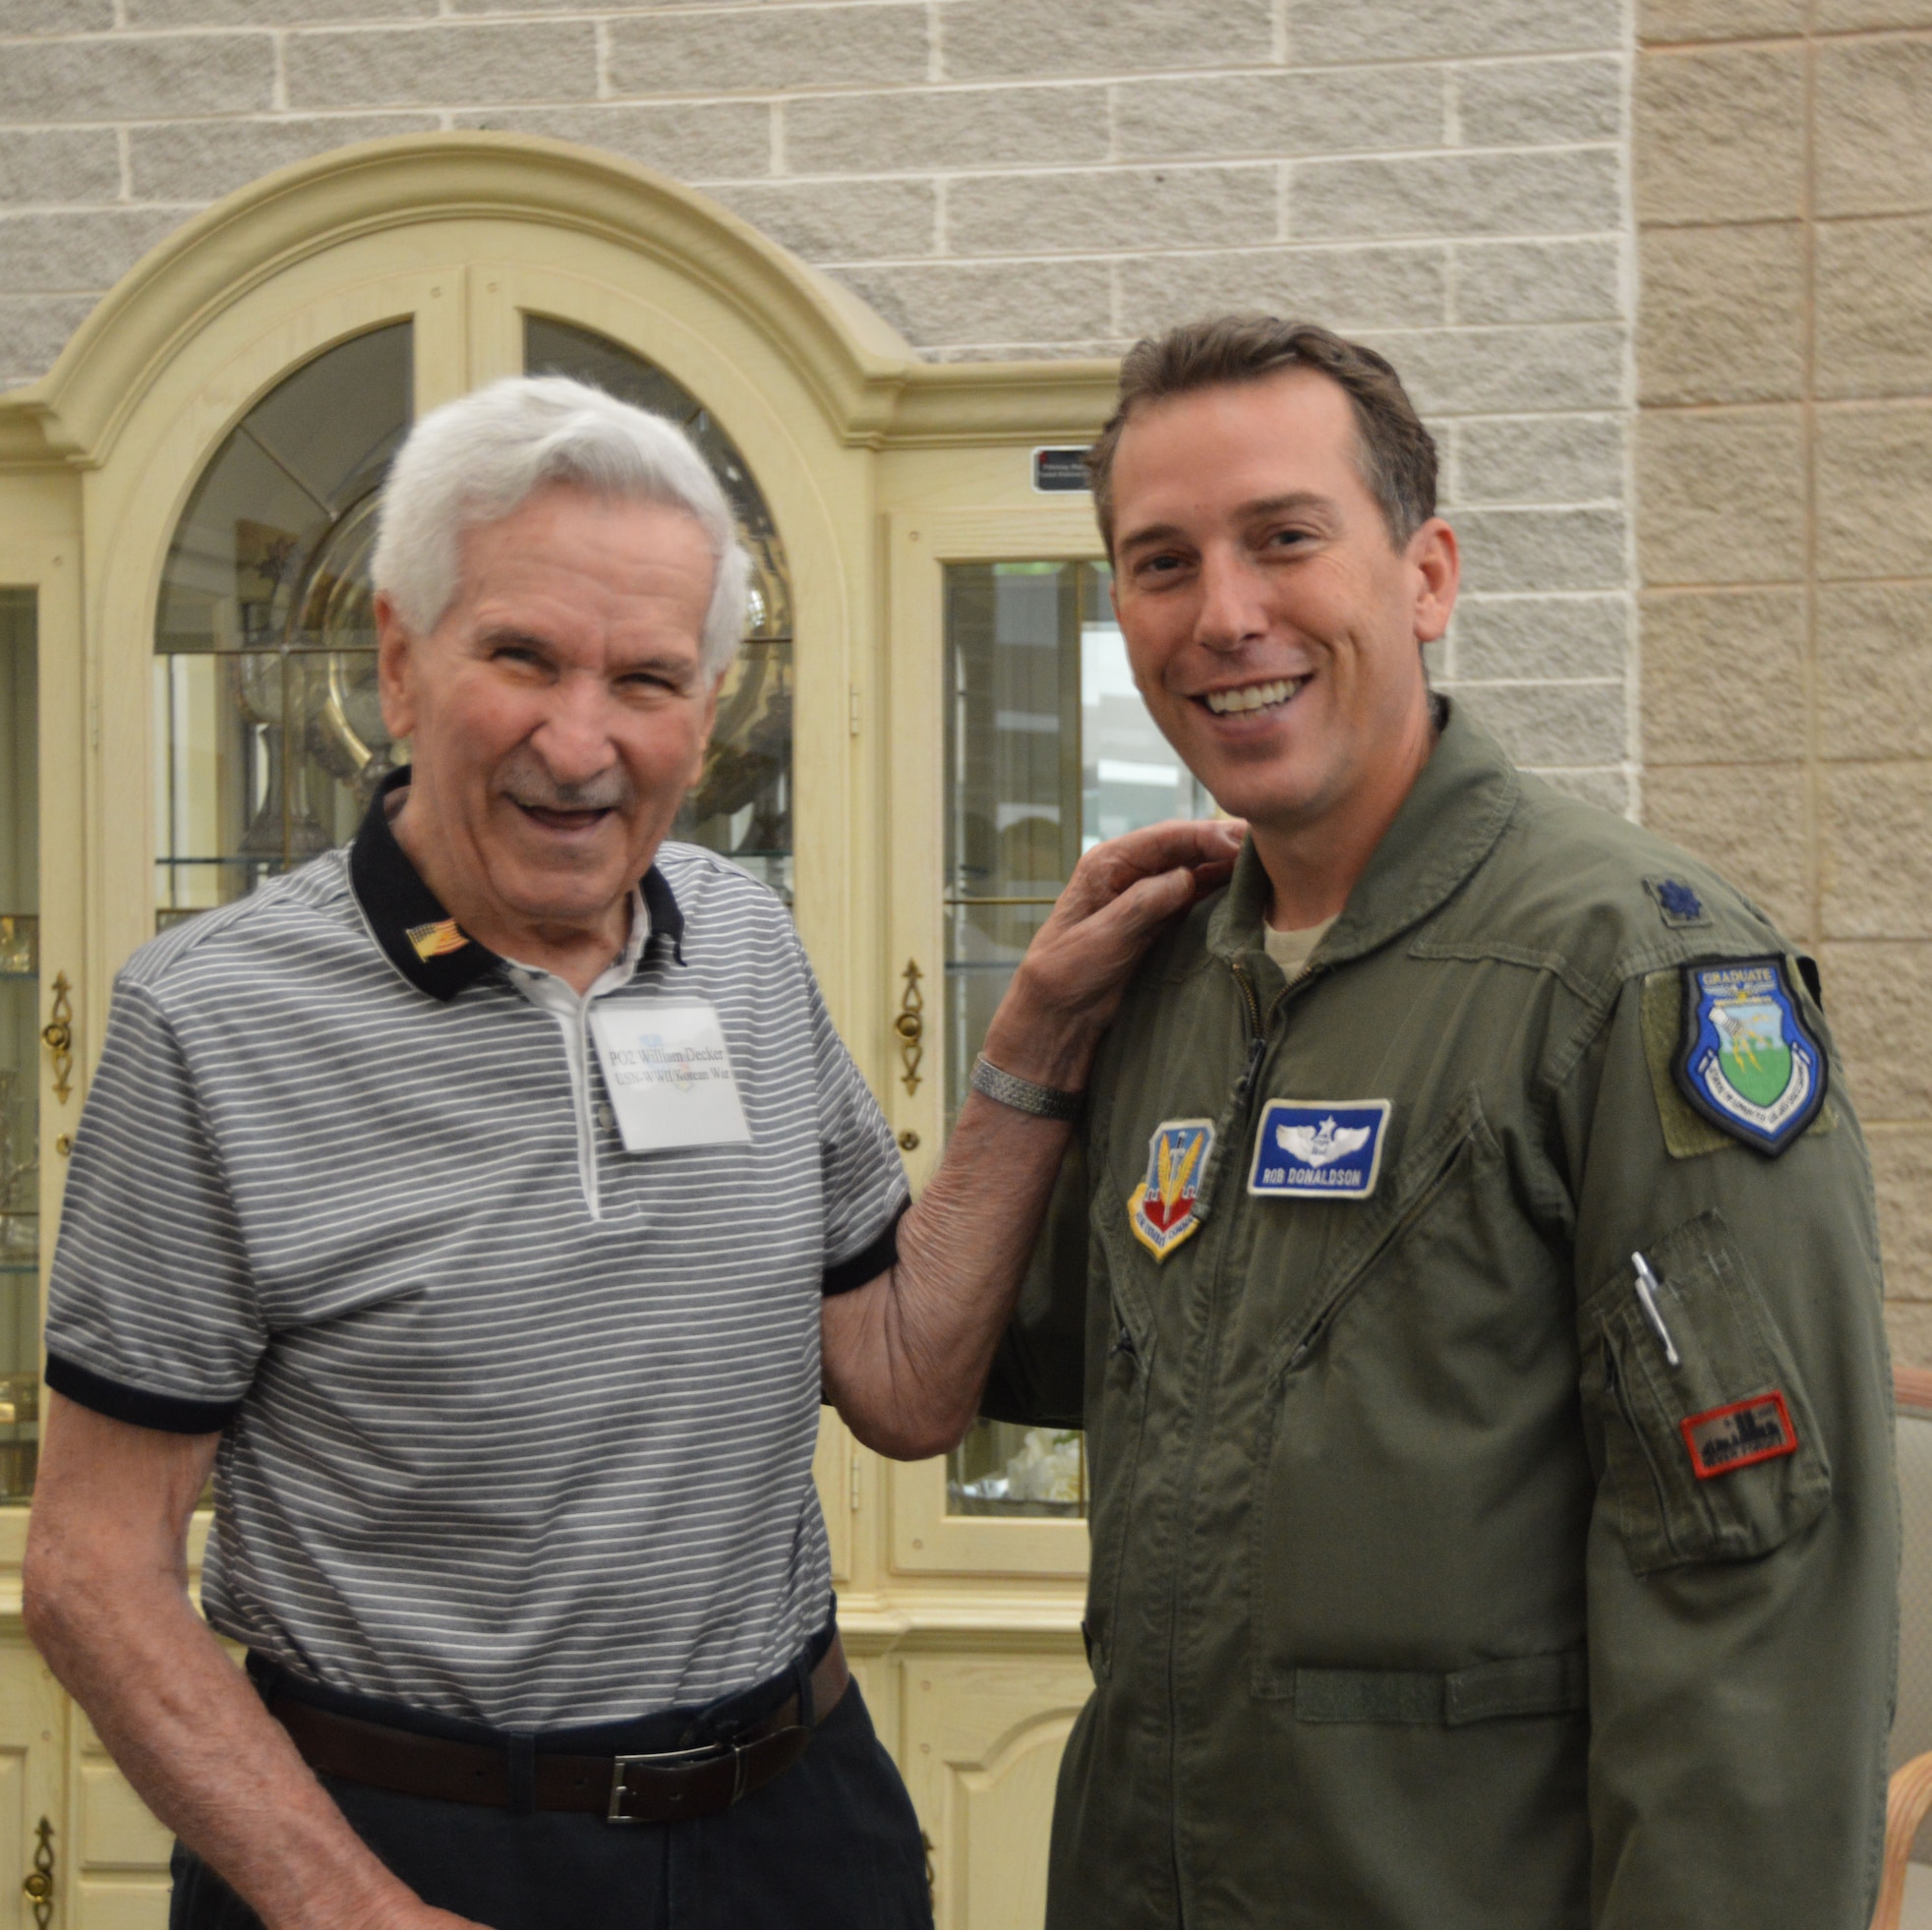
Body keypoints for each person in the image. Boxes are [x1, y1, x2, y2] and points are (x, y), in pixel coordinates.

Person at [21, 376, 1240, 1930]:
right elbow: (89, 1566)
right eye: (520, 655)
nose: (580, 739)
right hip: (405, 1843)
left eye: (649, 678)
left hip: (795, 1830)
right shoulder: (212, 1022)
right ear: (401, 661)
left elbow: (902, 1381)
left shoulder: (737, 936)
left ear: (709, 712)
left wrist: (1037, 1043)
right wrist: (346, 1909)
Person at [980, 317, 1898, 1929]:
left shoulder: (1635, 975)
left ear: (1424, 576)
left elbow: (1751, 1606)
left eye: (1283, 539)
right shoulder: (1162, 979)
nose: (1223, 615)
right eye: (1159, 561)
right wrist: (1024, 1057)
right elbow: (1006, 1363)